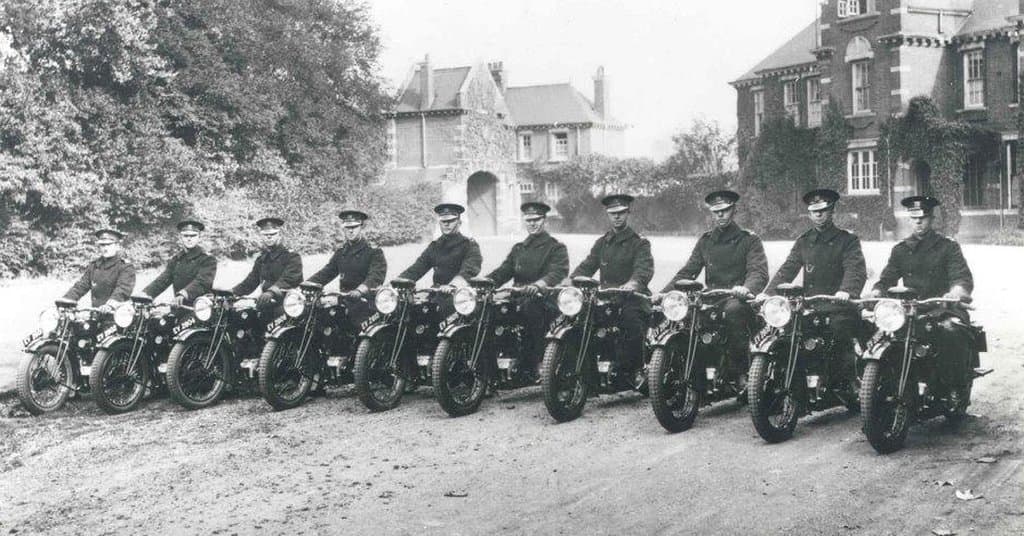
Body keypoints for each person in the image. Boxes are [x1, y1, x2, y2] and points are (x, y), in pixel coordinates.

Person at [870, 195, 976, 386]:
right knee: (880, 333)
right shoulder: (900, 250)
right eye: (914, 218)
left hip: (943, 307)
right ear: (910, 219)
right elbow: (887, 278)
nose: (918, 222)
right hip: (911, 310)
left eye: (923, 217)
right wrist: (877, 291)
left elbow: (961, 276)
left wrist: (955, 292)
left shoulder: (947, 247)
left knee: (950, 331)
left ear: (931, 218)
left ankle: (953, 386)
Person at [659, 190, 768, 372]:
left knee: (734, 313)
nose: (720, 215)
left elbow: (758, 272)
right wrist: (665, 293)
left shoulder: (749, 239)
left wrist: (746, 288)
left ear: (734, 210)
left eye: (725, 210)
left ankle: (741, 372)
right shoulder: (706, 240)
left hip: (737, 298)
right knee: (684, 315)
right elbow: (688, 271)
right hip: (711, 297)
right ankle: (687, 369)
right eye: (716, 211)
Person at [763, 188, 867, 372]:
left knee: (839, 330)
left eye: (823, 210)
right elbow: (788, 268)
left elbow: (855, 269)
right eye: (814, 211)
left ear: (832, 210)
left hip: (838, 306)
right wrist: (769, 294)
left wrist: (847, 291)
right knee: (788, 331)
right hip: (810, 305)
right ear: (809, 213)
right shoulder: (804, 241)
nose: (818, 214)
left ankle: (847, 378)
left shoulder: (847, 240)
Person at [568, 194, 654, 373]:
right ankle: (585, 369)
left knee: (631, 322)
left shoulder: (639, 243)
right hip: (605, 297)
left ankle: (636, 369)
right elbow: (587, 265)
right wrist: (572, 280)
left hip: (632, 297)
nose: (617, 217)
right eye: (612, 213)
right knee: (579, 321)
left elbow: (643, 269)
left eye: (621, 212)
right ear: (608, 215)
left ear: (628, 213)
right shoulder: (602, 242)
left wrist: (633, 283)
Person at [485, 202, 569, 376]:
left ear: (544, 220)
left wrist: (538, 285)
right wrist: (486, 282)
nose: (532, 223)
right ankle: (489, 366)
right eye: (529, 220)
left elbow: (558, 272)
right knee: (488, 310)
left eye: (536, 219)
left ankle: (537, 361)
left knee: (531, 311)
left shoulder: (556, 247)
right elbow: (504, 271)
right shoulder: (519, 248)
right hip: (518, 296)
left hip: (543, 298)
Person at [305, 209, 387, 326]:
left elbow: (376, 276)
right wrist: (307, 285)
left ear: (361, 227)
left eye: (354, 227)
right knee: (320, 322)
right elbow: (327, 272)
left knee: (357, 330)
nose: (351, 231)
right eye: (348, 228)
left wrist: (360, 290)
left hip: (365, 302)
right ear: (343, 229)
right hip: (344, 299)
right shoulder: (341, 252)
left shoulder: (373, 251)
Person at [398, 203, 482, 290]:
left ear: (459, 223)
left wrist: (453, 285)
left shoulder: (469, 245)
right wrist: (397, 282)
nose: (446, 224)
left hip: (459, 296)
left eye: (451, 221)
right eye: (443, 221)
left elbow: (470, 270)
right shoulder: (435, 246)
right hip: (436, 294)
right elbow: (417, 268)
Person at [231, 217, 303, 312]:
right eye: (265, 235)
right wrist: (232, 293)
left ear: (279, 235)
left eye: (273, 234)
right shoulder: (262, 258)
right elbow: (251, 281)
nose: (269, 237)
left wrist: (272, 291)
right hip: (266, 303)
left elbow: (289, 279)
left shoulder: (291, 256)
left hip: (290, 305)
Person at [142, 220, 217, 306]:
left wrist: (184, 294)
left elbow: (202, 282)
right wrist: (144, 295)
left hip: (200, 309)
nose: (189, 239)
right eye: (185, 236)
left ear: (199, 237)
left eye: (193, 236)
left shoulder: (207, 259)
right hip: (179, 307)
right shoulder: (176, 259)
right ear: (180, 237)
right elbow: (162, 280)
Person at [63, 228, 136, 312]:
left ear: (117, 246)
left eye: (109, 245)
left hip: (117, 315)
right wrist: (65, 301)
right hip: (96, 313)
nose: (105, 248)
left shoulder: (125, 267)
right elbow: (81, 286)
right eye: (102, 245)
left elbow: (123, 290)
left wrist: (110, 305)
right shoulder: (94, 265)